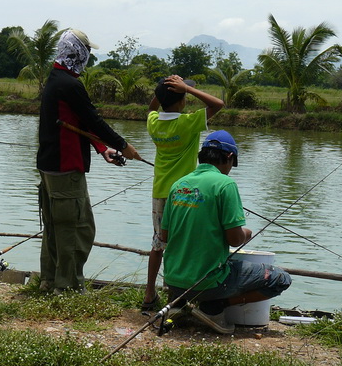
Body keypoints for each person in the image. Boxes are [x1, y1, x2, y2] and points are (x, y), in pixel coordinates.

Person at [37, 28, 141, 294]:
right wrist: (123, 145)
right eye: (87, 51)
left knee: (55, 227)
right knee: (77, 228)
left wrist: (101, 148)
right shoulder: (71, 84)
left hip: (50, 166)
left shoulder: (55, 77)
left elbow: (77, 123)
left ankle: (50, 281)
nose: (89, 56)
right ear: (77, 51)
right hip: (66, 167)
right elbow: (93, 119)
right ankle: (69, 287)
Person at [160, 130, 292, 334]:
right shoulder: (225, 184)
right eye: (232, 164)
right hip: (208, 283)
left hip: (173, 281)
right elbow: (234, 239)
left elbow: (164, 237)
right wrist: (247, 233)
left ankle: (179, 304)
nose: (230, 169)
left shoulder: (179, 185)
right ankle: (214, 308)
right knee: (280, 278)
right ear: (229, 157)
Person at [141, 75, 224, 311]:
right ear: (183, 100)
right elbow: (217, 105)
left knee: (159, 243)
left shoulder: (154, 122)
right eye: (186, 95)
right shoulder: (189, 122)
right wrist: (186, 87)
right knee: (180, 245)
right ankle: (174, 297)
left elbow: (151, 108)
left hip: (160, 192)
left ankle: (149, 294)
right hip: (185, 194)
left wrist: (163, 90)